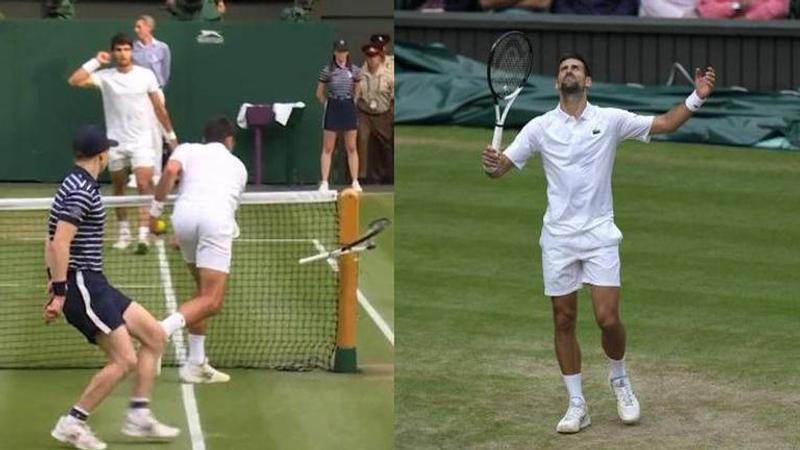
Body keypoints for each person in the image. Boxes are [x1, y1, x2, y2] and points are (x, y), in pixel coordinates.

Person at [482, 54, 716, 434]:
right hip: (557, 238)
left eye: (575, 68)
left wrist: (698, 96)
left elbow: (666, 123)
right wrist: (492, 163)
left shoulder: (609, 120)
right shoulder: (539, 128)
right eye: (562, 69)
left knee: (607, 319)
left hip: (599, 235)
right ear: (558, 83)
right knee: (563, 319)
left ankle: (619, 378)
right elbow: (498, 170)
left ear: (587, 81)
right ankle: (577, 403)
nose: (568, 72)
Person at [46, 125, 180, 450]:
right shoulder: (80, 190)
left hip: (95, 282)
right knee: (124, 360)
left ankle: (138, 415)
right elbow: (60, 242)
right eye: (107, 150)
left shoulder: (77, 184)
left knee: (154, 335)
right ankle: (73, 423)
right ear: (101, 156)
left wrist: (53, 282)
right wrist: (60, 291)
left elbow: (49, 240)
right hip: (82, 283)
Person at [150, 117, 247, 383]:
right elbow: (227, 209)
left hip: (183, 219)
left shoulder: (187, 149)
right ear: (230, 140)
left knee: (202, 296)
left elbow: (170, 173)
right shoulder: (238, 166)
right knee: (212, 301)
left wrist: (154, 213)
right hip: (215, 222)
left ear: (207, 138)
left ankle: (196, 362)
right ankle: (160, 331)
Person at [68, 32, 179, 255]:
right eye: (118, 50)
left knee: (143, 185)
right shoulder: (106, 76)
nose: (122, 53)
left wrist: (171, 137)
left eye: (126, 49)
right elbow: (75, 80)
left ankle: (143, 236)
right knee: (118, 187)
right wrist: (96, 61)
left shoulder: (146, 76)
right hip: (116, 143)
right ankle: (123, 234)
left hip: (142, 141)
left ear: (131, 51)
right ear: (113, 52)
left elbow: (159, 107)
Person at [316, 38, 362, 193]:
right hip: (333, 106)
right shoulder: (327, 70)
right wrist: (327, 105)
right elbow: (319, 92)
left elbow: (357, 89)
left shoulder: (354, 70)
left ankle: (355, 181)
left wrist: (352, 103)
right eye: (339, 51)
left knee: (351, 147)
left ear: (348, 53)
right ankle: (324, 182)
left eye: (344, 51)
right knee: (328, 147)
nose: (341, 54)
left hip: (348, 106)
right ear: (334, 52)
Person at [132, 15, 172, 187]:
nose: (136, 29)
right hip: (136, 95)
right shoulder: (132, 48)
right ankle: (136, 174)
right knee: (138, 132)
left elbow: (166, 72)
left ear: (149, 27)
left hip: (156, 92)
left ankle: (156, 173)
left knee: (156, 133)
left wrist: (158, 89)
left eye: (139, 26)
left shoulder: (162, 48)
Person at [357, 43, 394, 185]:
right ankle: (362, 176)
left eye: (374, 56)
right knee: (362, 141)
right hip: (365, 112)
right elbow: (356, 95)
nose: (372, 59)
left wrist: (391, 114)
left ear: (380, 57)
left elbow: (393, 96)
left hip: (383, 113)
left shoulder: (388, 75)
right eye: (369, 56)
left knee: (385, 145)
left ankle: (388, 175)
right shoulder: (360, 74)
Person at [696, 0, 789, 19]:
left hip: (765, 37)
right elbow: (706, 10)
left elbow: (781, 6)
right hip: (722, 37)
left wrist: (748, 18)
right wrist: (737, 6)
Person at [551, 0, 638, 14]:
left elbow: (628, 4)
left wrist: (611, 21)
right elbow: (561, 4)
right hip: (573, 30)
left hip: (616, 30)